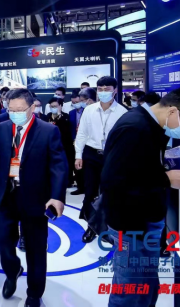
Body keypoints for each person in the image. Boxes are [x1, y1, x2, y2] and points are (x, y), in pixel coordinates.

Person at [101, 85, 180, 307]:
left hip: (147, 218)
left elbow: (142, 166)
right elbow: (113, 181)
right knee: (130, 291)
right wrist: (166, 179)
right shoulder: (134, 127)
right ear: (173, 111)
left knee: (146, 285)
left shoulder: (153, 125)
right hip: (130, 224)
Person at [0, 89, 68, 307]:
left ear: (32, 107)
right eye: (11, 110)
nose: (15, 114)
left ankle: (34, 293)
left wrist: (57, 196)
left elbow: (58, 166)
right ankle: (13, 270)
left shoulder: (48, 131)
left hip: (35, 198)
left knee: (35, 248)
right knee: (1, 239)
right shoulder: (3, 128)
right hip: (7, 194)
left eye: (20, 110)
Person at [74, 76, 127, 243]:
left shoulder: (122, 112)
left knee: (108, 192)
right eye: (100, 89)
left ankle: (106, 228)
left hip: (112, 155)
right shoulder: (89, 110)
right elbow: (82, 133)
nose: (103, 92)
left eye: (107, 89)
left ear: (115, 90)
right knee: (90, 191)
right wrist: (78, 155)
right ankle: (91, 227)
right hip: (91, 153)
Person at [69, 88, 96, 195]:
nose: (78, 103)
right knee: (78, 166)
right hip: (76, 142)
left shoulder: (92, 111)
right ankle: (81, 187)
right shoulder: (72, 113)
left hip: (91, 145)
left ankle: (90, 190)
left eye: (80, 101)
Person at [47, 98, 75, 188]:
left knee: (67, 164)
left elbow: (66, 131)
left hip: (65, 144)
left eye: (55, 106)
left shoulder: (66, 117)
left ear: (60, 106)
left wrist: (59, 118)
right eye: (51, 106)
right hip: (51, 145)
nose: (53, 108)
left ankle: (68, 181)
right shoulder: (47, 116)